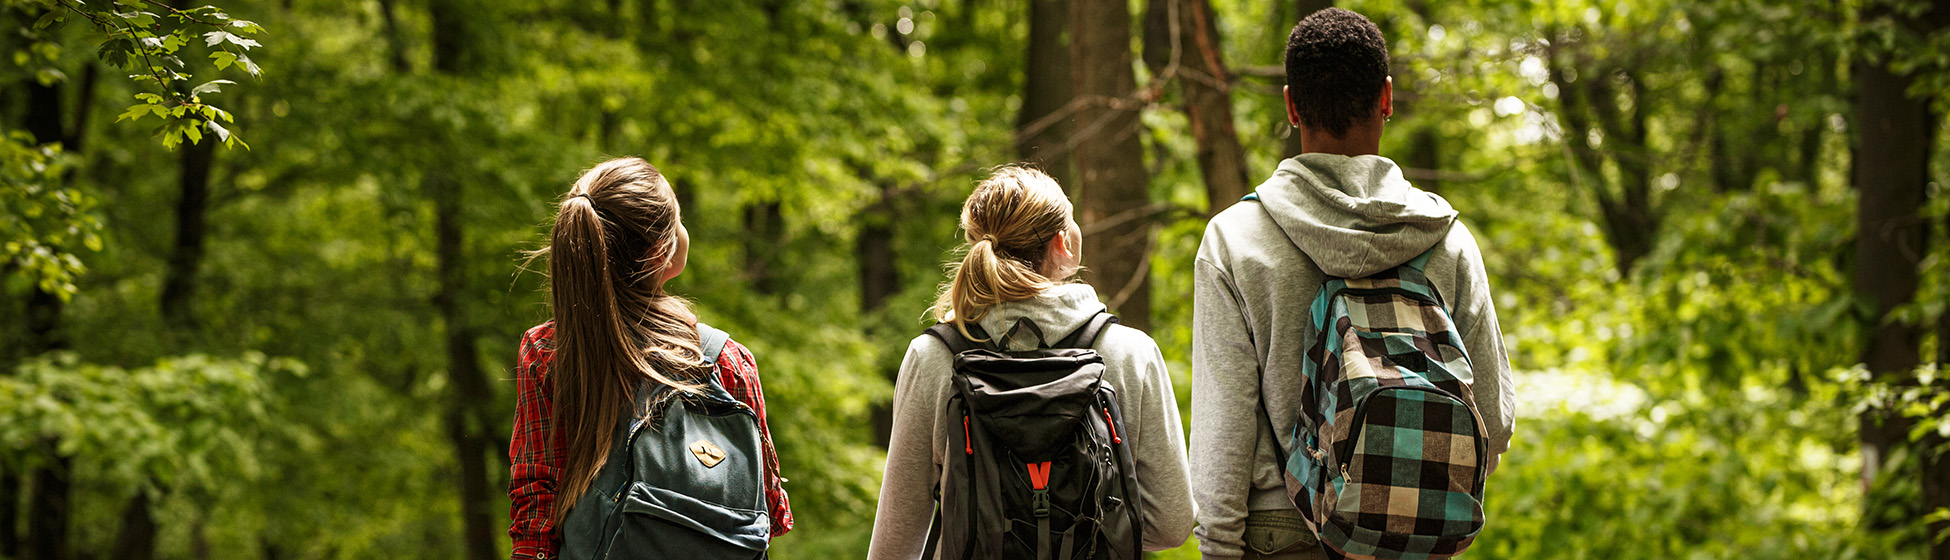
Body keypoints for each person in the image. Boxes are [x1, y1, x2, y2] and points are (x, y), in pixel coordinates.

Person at [1189, 8, 1514, 560]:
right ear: (1386, 97)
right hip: (1412, 538)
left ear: (1292, 105)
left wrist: (1218, 548)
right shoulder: (1446, 241)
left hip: (1281, 532)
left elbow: (1224, 432)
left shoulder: (1236, 239)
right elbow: (1493, 420)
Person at [867, 166, 1196, 559]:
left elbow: (895, 542)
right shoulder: (1128, 352)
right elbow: (1172, 525)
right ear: (1063, 244)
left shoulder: (936, 356)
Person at [507, 157, 791, 560]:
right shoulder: (727, 360)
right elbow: (770, 513)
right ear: (663, 253)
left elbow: (536, 498)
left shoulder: (547, 351)